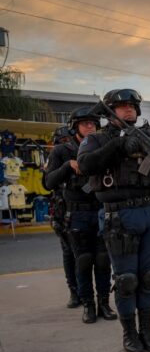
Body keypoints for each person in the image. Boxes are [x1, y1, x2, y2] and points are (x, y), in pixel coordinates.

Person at [78, 89, 150, 352]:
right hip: (119, 214)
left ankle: (148, 330)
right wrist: (118, 145)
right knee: (127, 278)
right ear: (109, 111)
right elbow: (86, 166)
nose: (128, 110)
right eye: (121, 106)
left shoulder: (149, 138)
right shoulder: (95, 139)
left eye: (132, 106)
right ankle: (130, 333)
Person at [45, 113, 116, 322]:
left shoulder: (102, 145)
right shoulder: (62, 150)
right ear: (75, 127)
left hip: (101, 209)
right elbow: (48, 182)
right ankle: (88, 305)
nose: (91, 126)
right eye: (86, 124)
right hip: (77, 212)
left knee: (103, 261)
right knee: (83, 261)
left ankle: (104, 303)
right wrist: (67, 166)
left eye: (94, 123)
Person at [46, 126, 79, 309]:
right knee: (69, 253)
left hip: (83, 207)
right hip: (62, 209)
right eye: (63, 142)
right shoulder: (56, 158)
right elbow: (48, 183)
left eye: (69, 141)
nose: (67, 146)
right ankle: (74, 292)